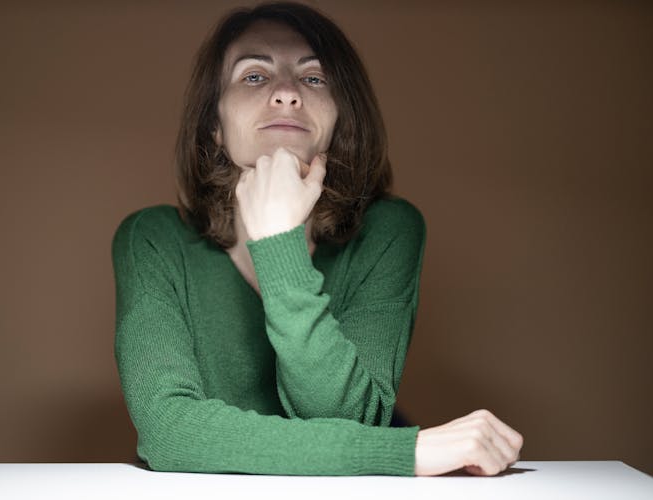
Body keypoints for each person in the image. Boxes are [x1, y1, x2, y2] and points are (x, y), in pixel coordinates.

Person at [112, 1, 523, 476]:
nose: (286, 94)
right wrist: (402, 452)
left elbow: (349, 419)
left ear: (339, 117)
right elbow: (168, 432)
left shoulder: (388, 230)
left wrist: (278, 246)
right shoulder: (152, 240)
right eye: (253, 76)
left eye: (313, 78)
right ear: (215, 127)